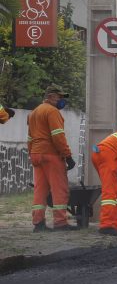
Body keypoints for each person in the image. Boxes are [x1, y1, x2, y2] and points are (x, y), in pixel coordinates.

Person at [27, 85, 74, 231]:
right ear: (51, 97)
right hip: (51, 155)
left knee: (40, 190)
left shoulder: (34, 113)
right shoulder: (52, 111)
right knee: (59, 188)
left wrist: (32, 153)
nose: (62, 100)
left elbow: (30, 138)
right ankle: (60, 222)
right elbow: (58, 136)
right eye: (60, 97)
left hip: (36, 154)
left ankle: (38, 223)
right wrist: (68, 156)